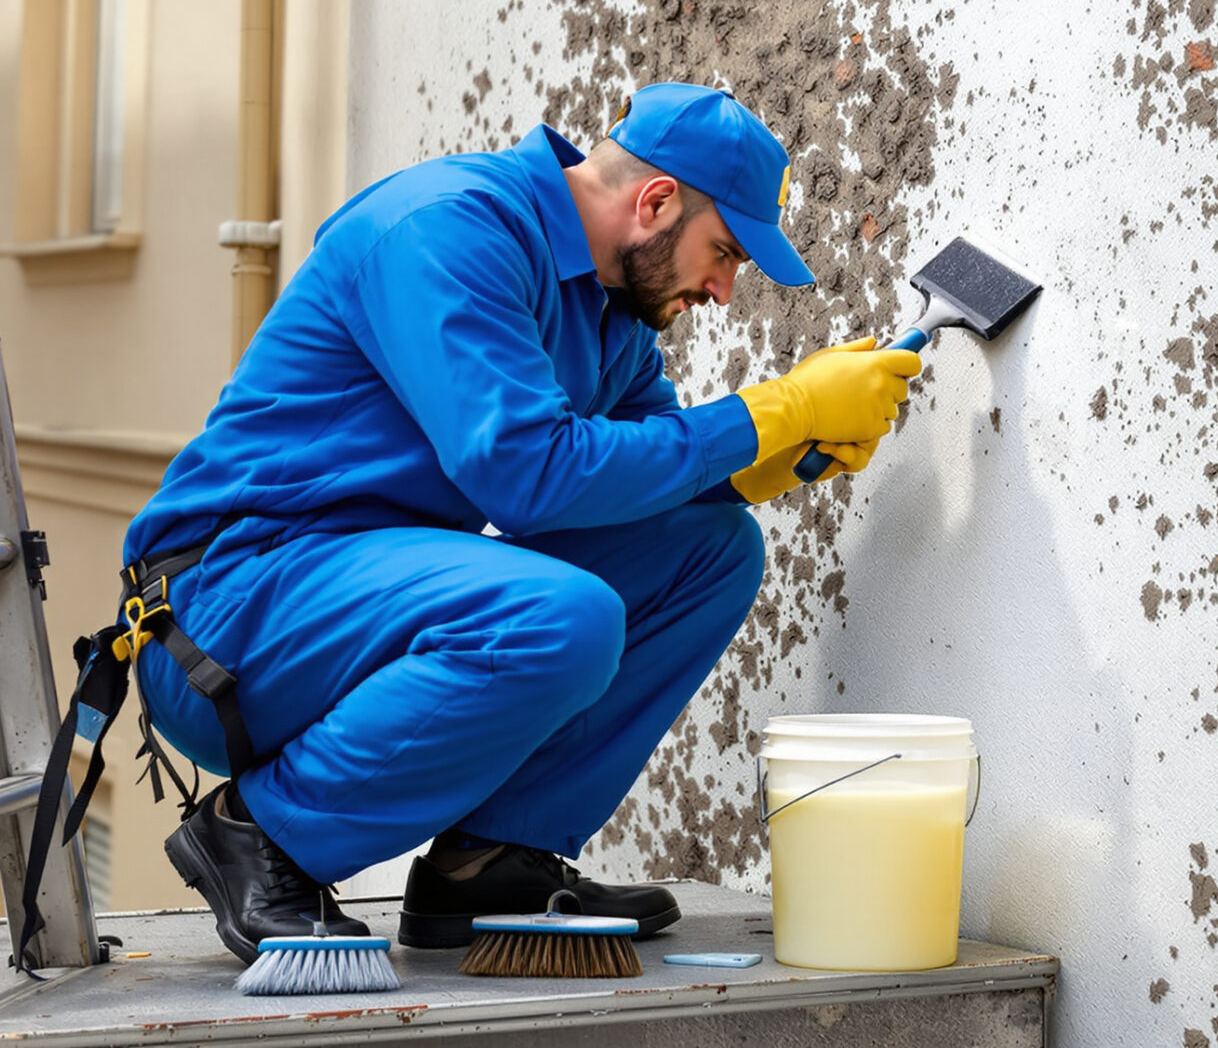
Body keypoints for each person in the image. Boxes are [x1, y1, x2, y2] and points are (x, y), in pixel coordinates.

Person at [116, 82, 917, 962]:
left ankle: (488, 858)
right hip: (229, 605)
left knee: (710, 550)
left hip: (346, 590)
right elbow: (526, 475)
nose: (724, 289)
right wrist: (775, 408)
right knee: (562, 617)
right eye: (722, 251)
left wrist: (765, 465)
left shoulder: (614, 317)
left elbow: (640, 472)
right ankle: (258, 832)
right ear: (655, 201)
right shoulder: (451, 229)